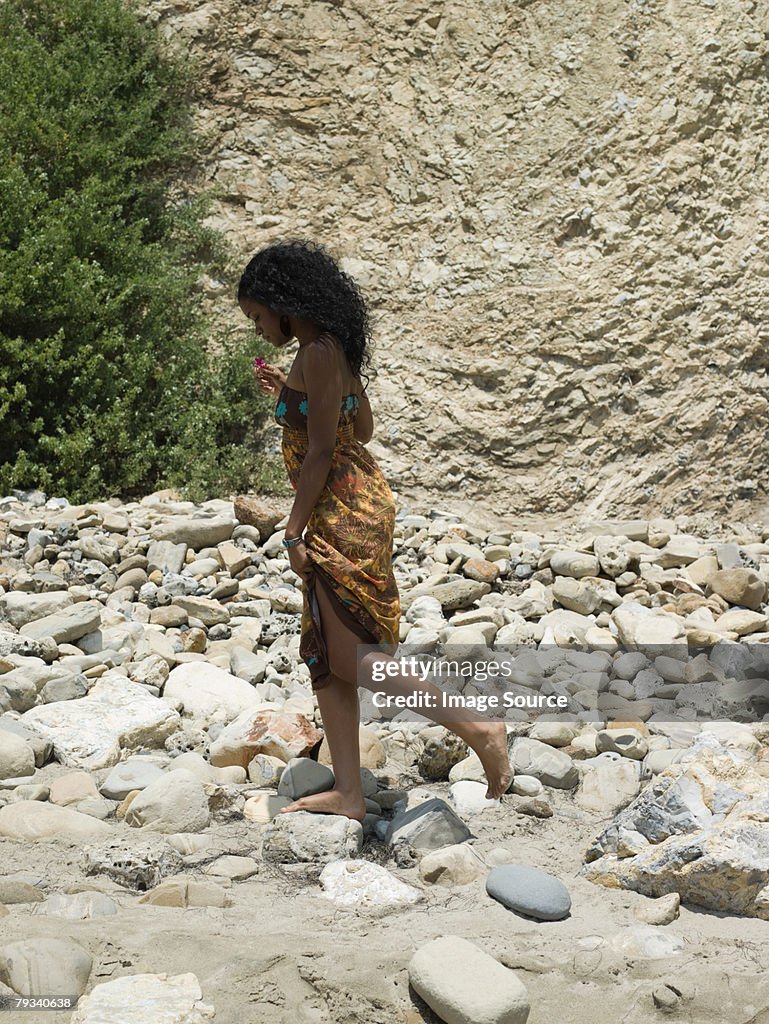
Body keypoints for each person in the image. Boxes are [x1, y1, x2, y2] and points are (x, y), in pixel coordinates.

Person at [237, 239, 511, 820]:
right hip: (356, 501)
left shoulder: (315, 352)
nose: (259, 329)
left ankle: (481, 731)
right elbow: (359, 428)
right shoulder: (330, 349)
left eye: (258, 316)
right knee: (329, 658)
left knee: (358, 659)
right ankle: (350, 793)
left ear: (282, 301)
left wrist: (292, 530)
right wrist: (290, 398)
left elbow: (319, 455)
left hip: (342, 511)